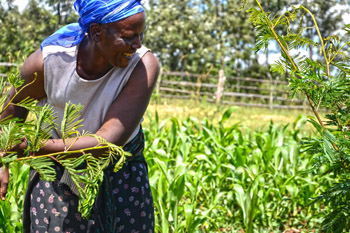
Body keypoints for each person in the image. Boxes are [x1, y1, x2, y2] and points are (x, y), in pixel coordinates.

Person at [0, 0, 159, 232]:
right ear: (96, 32)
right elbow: (8, 119)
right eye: (128, 37)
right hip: (56, 176)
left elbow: (106, 143)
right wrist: (2, 160)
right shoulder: (48, 63)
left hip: (120, 178)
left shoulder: (142, 65)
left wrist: (31, 147)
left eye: (140, 35)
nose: (137, 44)